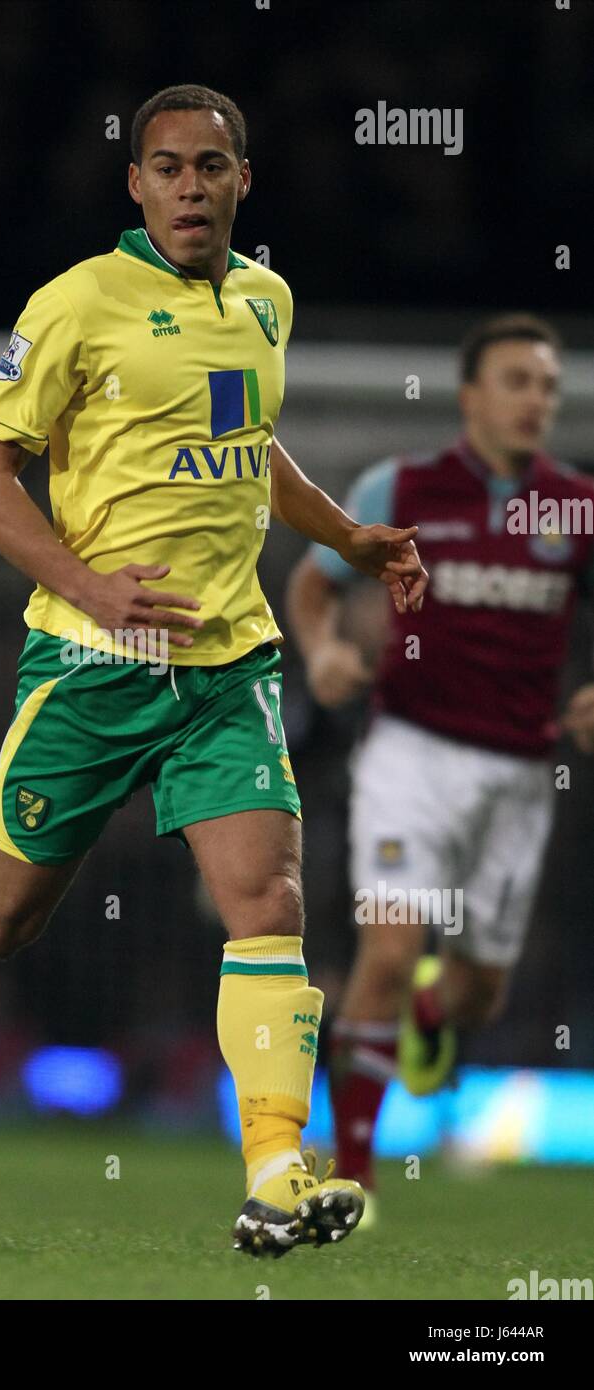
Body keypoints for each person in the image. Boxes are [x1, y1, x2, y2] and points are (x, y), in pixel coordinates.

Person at [0, 84, 426, 1257]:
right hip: (93, 662)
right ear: (136, 184)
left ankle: (275, 1168)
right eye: (167, 168)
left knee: (264, 900)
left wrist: (344, 537)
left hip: (226, 661)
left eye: (211, 168)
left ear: (242, 182)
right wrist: (95, 584)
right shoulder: (75, 305)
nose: (190, 188)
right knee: (0, 920)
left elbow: (247, 442)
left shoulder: (265, 302)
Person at [286, 313, 594, 1206]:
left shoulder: (572, 505)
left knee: (478, 991)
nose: (535, 398)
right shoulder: (401, 487)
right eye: (516, 381)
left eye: (546, 385)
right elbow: (315, 579)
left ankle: (434, 1011)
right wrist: (323, 650)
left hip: (518, 773)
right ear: (470, 397)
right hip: (409, 757)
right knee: (387, 950)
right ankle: (351, 1173)